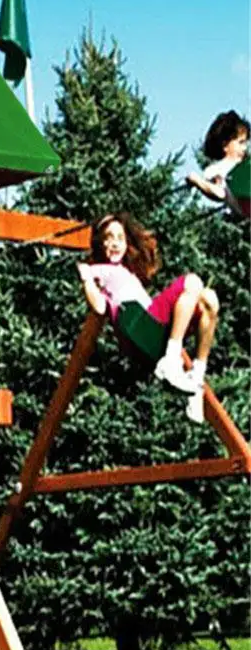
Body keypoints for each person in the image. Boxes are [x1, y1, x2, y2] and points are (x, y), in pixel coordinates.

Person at [77, 213, 219, 422]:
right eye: (109, 237)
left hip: (154, 327)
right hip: (141, 325)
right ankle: (171, 359)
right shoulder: (96, 270)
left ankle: (196, 379)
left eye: (120, 238)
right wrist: (86, 278)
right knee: (192, 282)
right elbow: (98, 306)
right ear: (101, 243)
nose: (115, 243)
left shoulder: (127, 272)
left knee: (209, 300)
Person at [187, 110, 249, 212]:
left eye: (245, 143)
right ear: (225, 145)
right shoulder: (215, 170)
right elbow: (219, 194)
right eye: (240, 143)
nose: (245, 148)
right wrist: (196, 180)